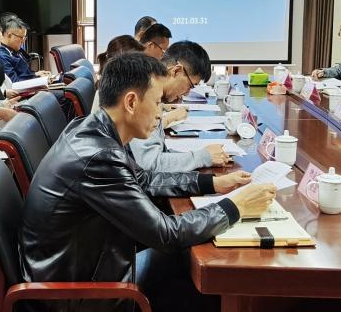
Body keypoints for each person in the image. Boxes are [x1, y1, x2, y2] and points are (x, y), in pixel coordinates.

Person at [20, 52, 276, 312]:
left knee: (187, 263)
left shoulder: (95, 129)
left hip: (84, 266)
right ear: (131, 102)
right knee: (201, 286)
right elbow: (166, 234)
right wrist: (235, 206)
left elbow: (143, 179)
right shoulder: (98, 156)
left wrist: (211, 183)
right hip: (73, 296)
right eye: (156, 102)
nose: (160, 114)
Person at [130, 42, 232, 172]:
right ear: (176, 71)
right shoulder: (144, 95)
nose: (187, 93)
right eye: (190, 85)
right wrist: (202, 157)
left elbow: (160, 153)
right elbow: (151, 164)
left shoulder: (153, 92)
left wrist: (204, 156)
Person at [0, 18, 47, 82]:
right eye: (21, 37)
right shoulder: (1, 55)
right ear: (9, 35)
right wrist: (38, 79)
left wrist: (35, 74)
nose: (23, 41)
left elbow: (21, 74)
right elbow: (14, 83)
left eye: (24, 37)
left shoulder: (14, 50)